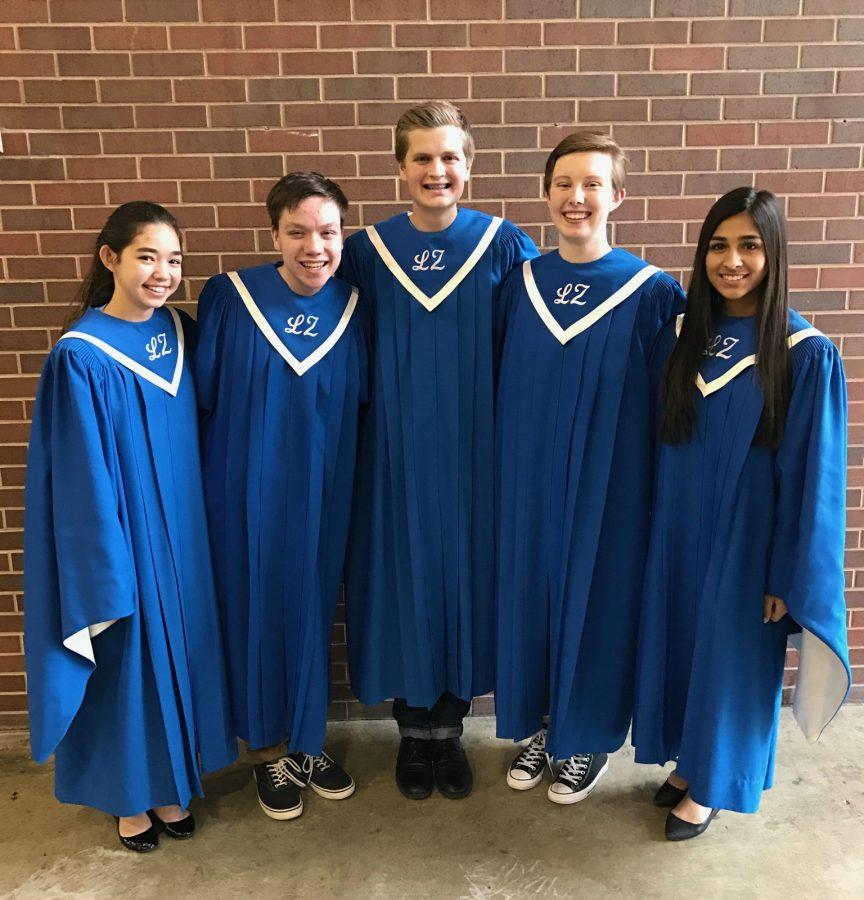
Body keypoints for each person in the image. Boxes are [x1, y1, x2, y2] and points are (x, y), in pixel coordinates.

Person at [633, 187, 850, 840]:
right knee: (683, 645)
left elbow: (814, 477)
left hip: (749, 541)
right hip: (677, 528)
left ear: (775, 253)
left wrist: (787, 572)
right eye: (718, 246)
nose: (732, 261)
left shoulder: (804, 352)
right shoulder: (684, 337)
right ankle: (689, 763)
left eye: (750, 246)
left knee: (731, 660)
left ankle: (716, 784)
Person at [340, 100, 538, 800]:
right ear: (400, 168)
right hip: (391, 454)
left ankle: (447, 734)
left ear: (469, 165)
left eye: (450, 156)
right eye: (422, 158)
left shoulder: (505, 245)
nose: (437, 170)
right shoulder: (364, 251)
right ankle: (410, 732)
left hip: (473, 455)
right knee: (400, 585)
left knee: (464, 583)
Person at [24, 201, 237, 852]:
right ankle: (128, 799)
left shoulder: (178, 332)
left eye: (174, 260)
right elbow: (81, 476)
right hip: (123, 540)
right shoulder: (81, 355)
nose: (163, 272)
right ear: (109, 258)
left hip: (188, 534)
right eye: (148, 256)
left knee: (185, 653)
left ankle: (172, 782)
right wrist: (106, 567)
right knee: (127, 663)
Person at [495, 132, 686, 804]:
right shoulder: (518, 283)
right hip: (530, 477)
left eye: (593, 184)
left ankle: (588, 740)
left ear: (618, 197)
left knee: (598, 601)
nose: (577, 198)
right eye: (564, 184)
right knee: (535, 595)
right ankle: (544, 727)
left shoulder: (652, 291)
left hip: (613, 485)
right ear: (546, 194)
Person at [195, 173, 366, 821]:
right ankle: (268, 751)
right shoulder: (232, 298)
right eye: (297, 232)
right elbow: (205, 394)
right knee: (255, 611)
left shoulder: (354, 307)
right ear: (275, 235)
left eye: (327, 232)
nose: (313, 247)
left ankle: (306, 739)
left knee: (312, 611)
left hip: (324, 493)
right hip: (243, 490)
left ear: (342, 236)